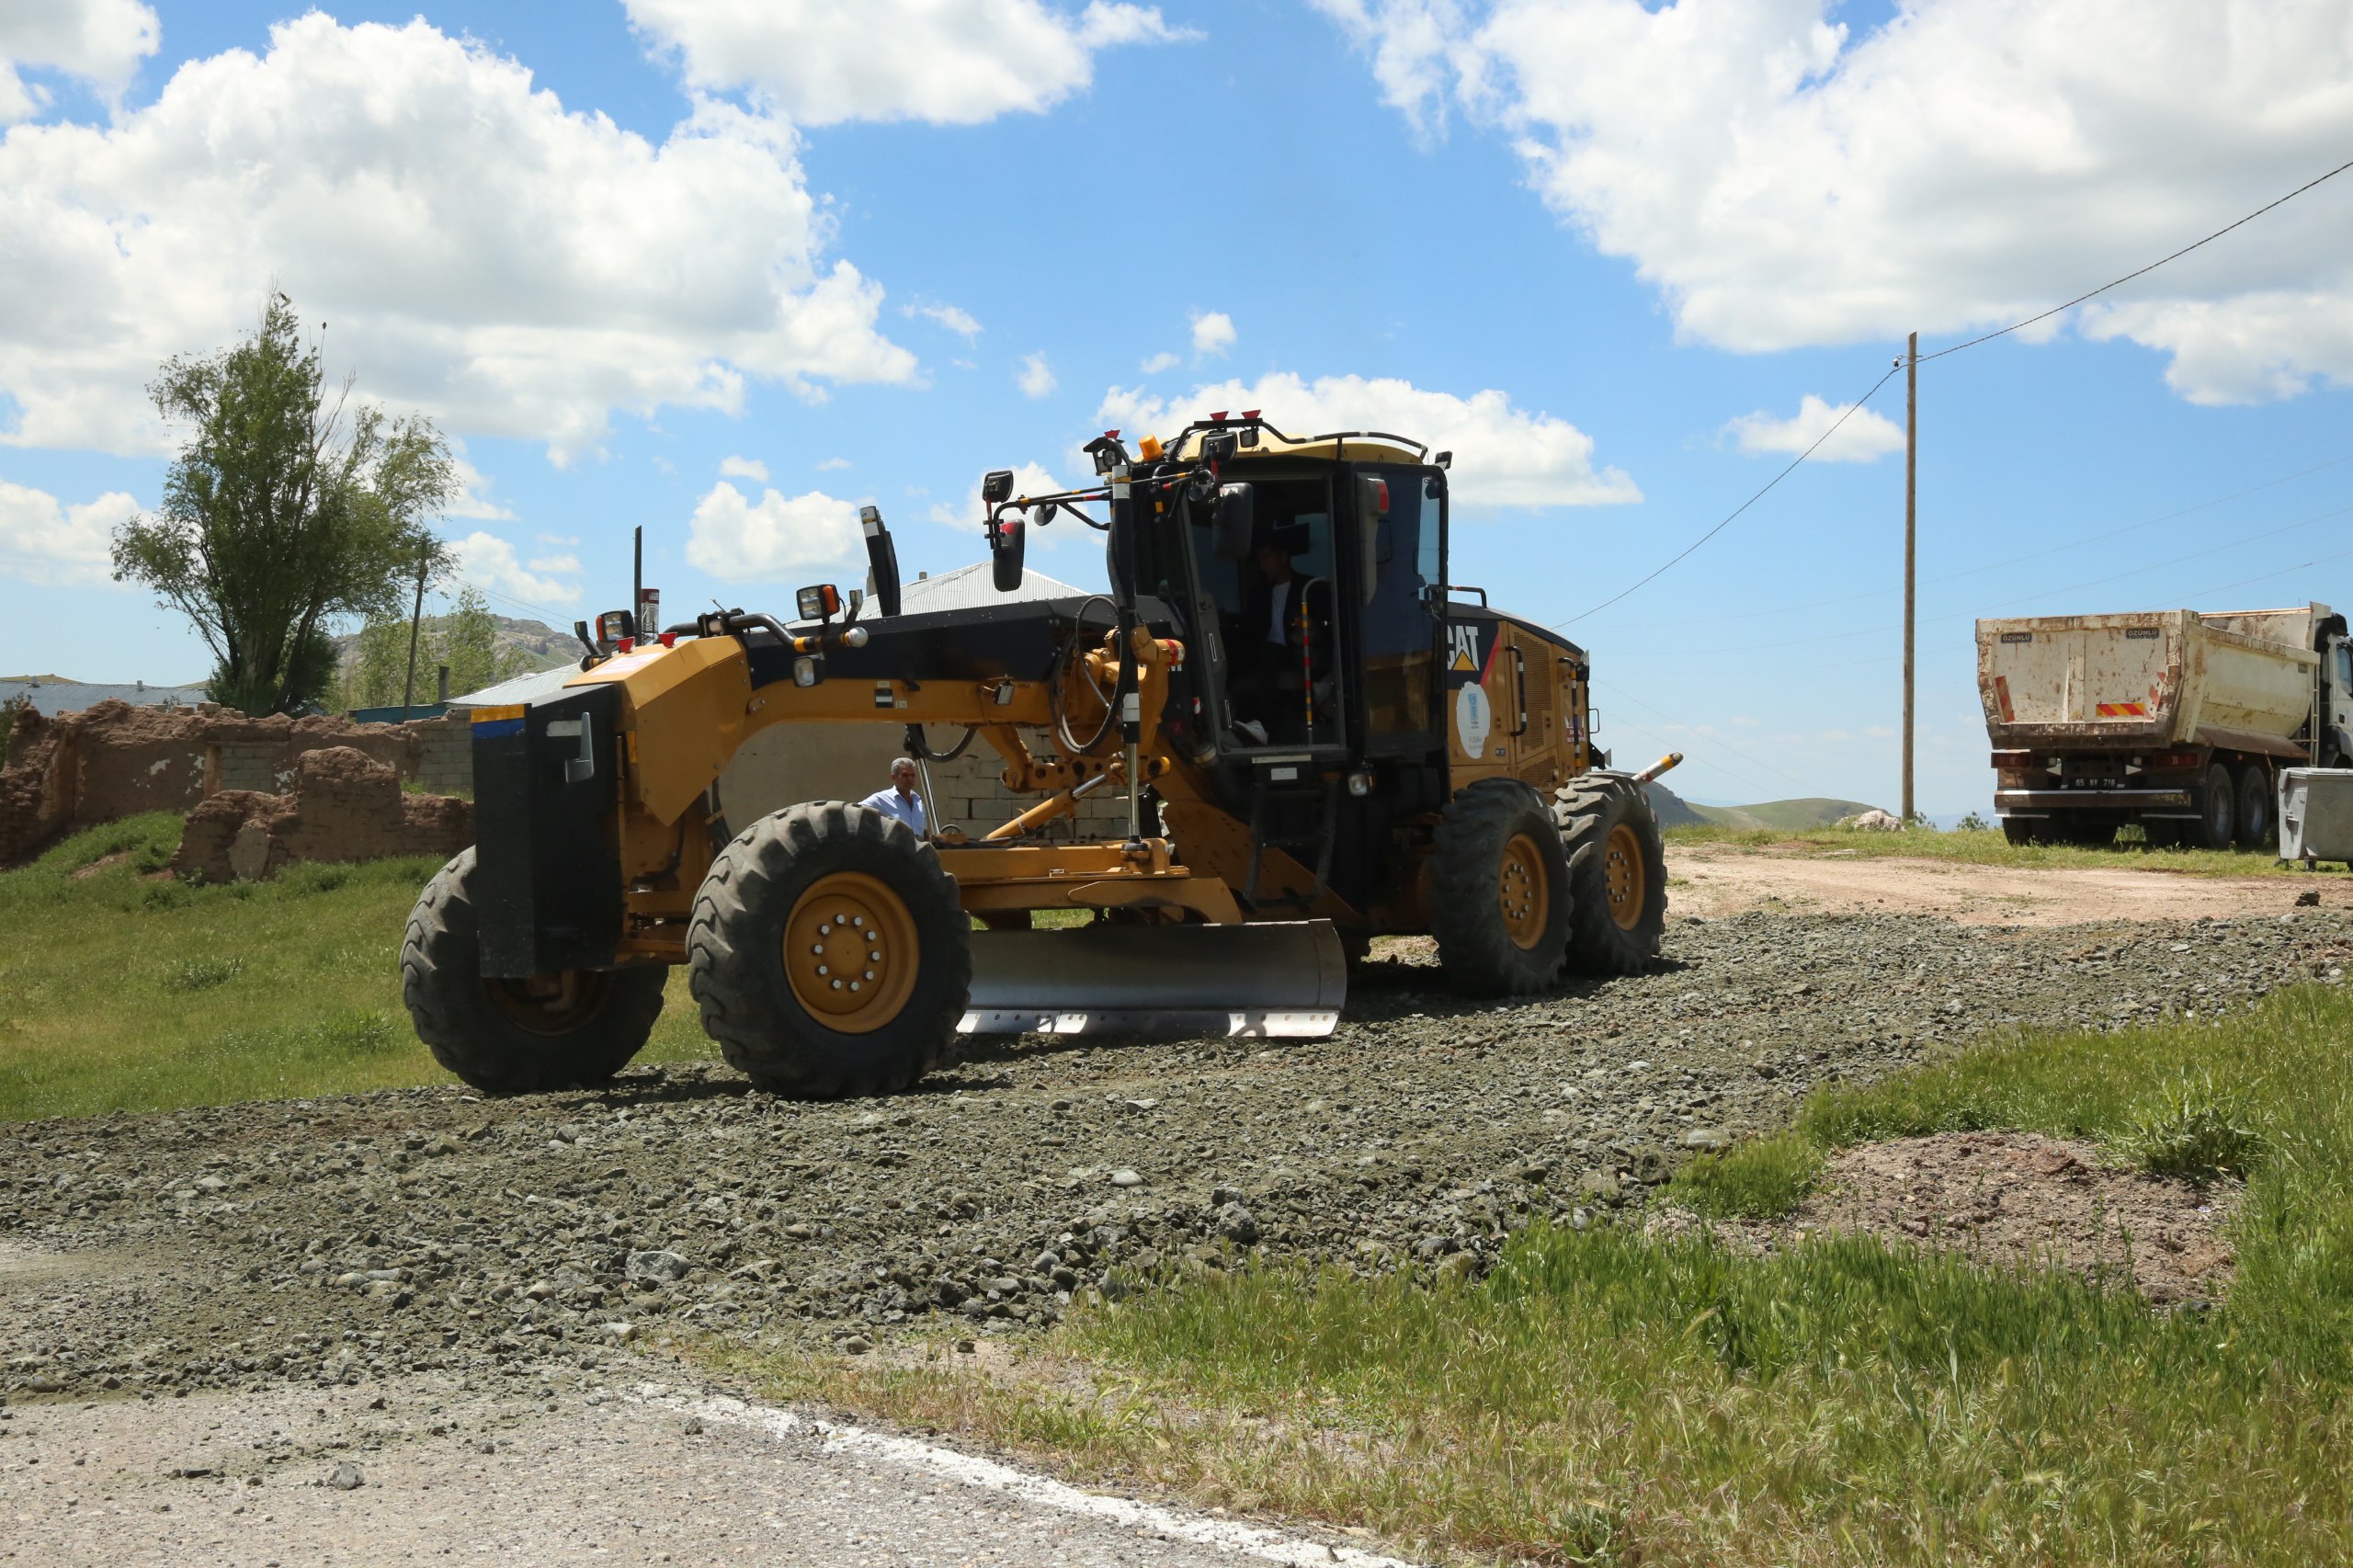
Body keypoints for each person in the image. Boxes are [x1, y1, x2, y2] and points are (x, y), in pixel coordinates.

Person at [860, 757, 928, 836]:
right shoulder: (880, 799)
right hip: (894, 848)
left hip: (918, 847)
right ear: (894, 777)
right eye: (905, 775)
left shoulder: (918, 802)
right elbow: (855, 811)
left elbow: (924, 832)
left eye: (912, 775)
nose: (910, 779)